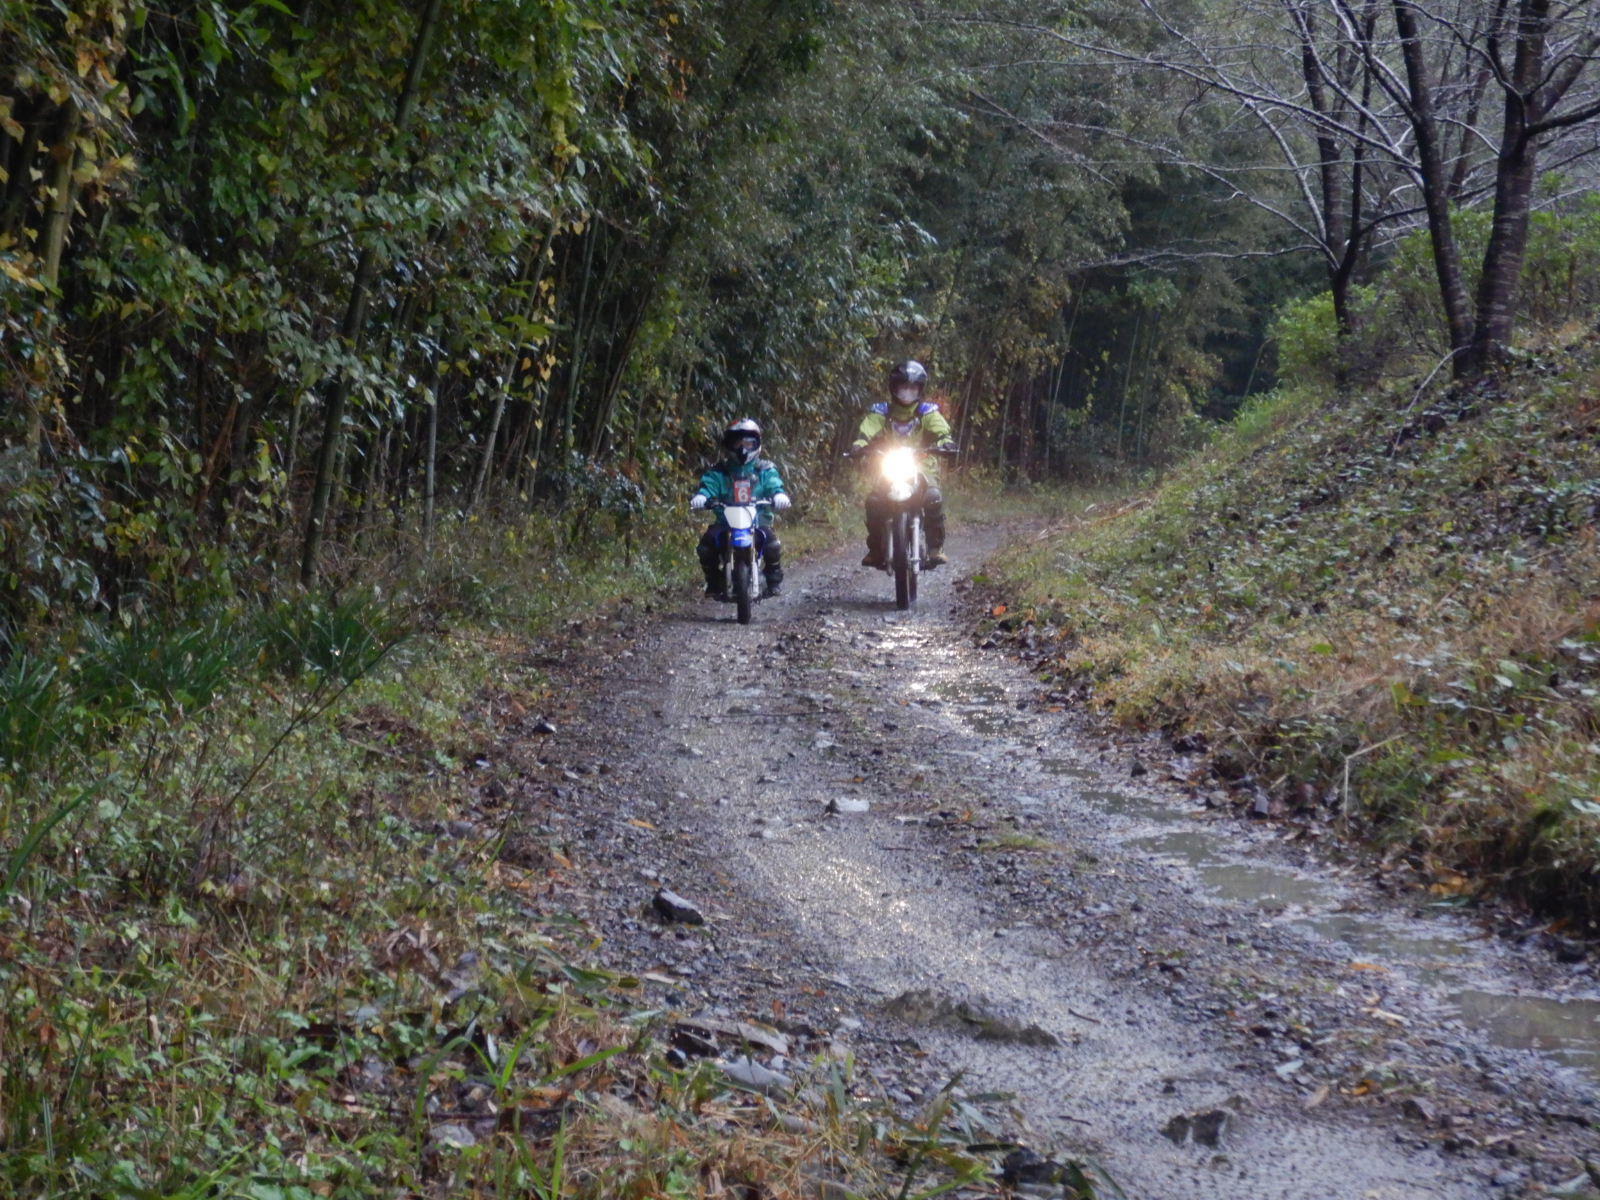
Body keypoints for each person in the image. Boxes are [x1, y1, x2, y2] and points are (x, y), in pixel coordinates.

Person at [848, 359, 956, 568]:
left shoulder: (927, 411)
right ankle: (875, 549)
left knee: (933, 497)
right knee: (874, 502)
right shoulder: (882, 412)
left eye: (912, 387)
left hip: (922, 466)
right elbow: (867, 429)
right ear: (894, 388)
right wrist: (859, 444)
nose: (907, 392)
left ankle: (935, 548)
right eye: (903, 387)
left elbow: (942, 431)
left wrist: (946, 442)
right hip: (888, 465)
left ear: (920, 389)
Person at [690, 418, 792, 599]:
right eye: (738, 442)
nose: (743, 448)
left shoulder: (764, 469)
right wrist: (702, 496)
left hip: (758, 521)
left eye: (748, 443)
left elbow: (774, 483)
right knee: (706, 547)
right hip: (725, 521)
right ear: (729, 444)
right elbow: (709, 484)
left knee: (772, 544)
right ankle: (713, 582)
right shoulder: (720, 470)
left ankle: (773, 580)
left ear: (757, 444)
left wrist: (778, 494)